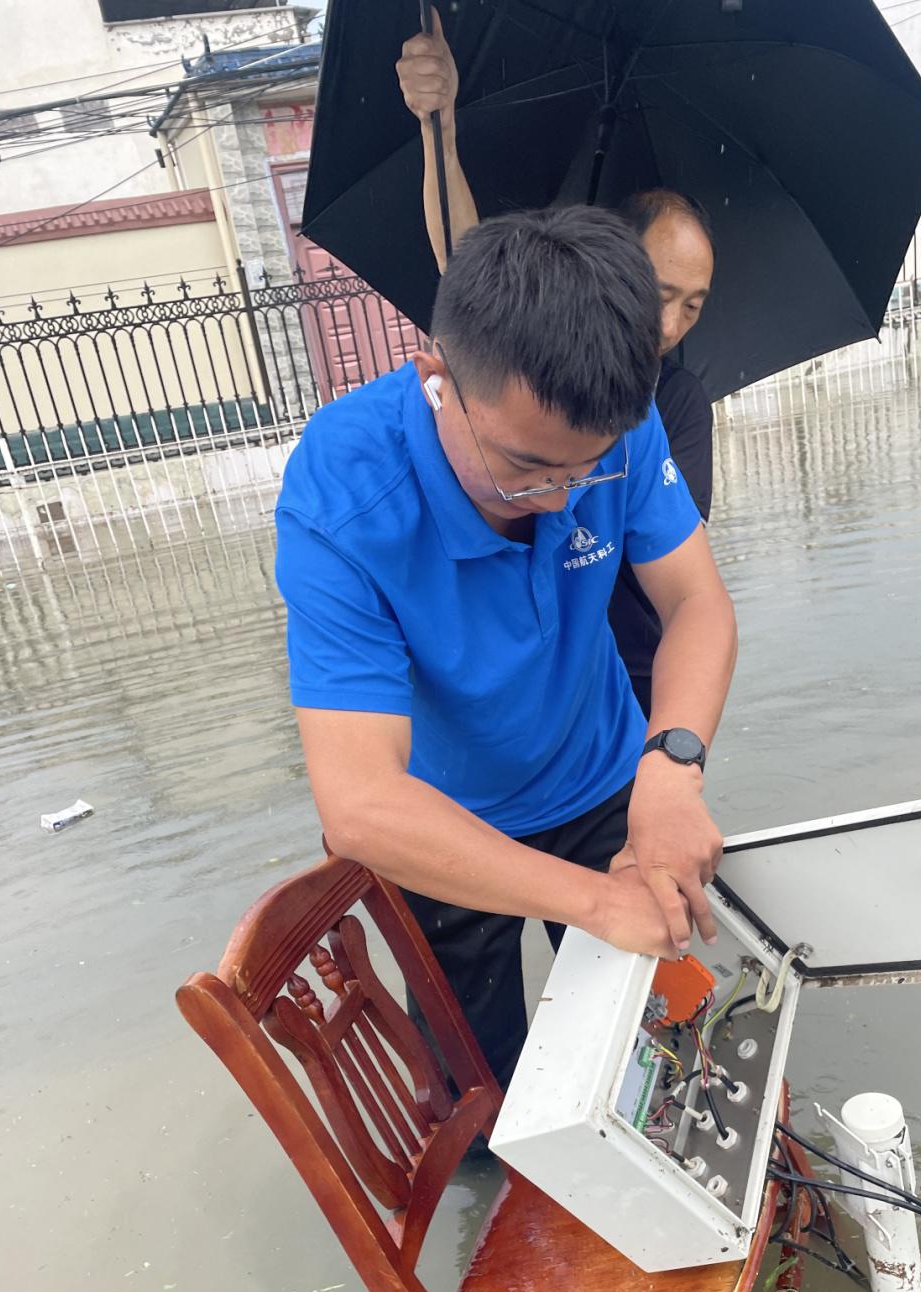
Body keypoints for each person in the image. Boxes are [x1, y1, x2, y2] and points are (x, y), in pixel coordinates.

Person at [275, 206, 737, 1088]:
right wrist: (593, 900)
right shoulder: (343, 492)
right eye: (524, 468)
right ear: (436, 380)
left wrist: (673, 768)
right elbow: (360, 805)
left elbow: (696, 603)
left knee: (668, 1068)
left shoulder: (623, 417)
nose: (561, 499)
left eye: (587, 468)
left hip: (603, 781)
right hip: (443, 828)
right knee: (472, 1095)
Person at [396, 8, 717, 717]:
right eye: (660, 293)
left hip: (634, 683)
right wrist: (439, 133)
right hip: (528, 689)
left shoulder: (672, 406)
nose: (667, 326)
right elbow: (469, 272)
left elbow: (684, 577)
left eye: (693, 306)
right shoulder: (366, 472)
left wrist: (676, 746)